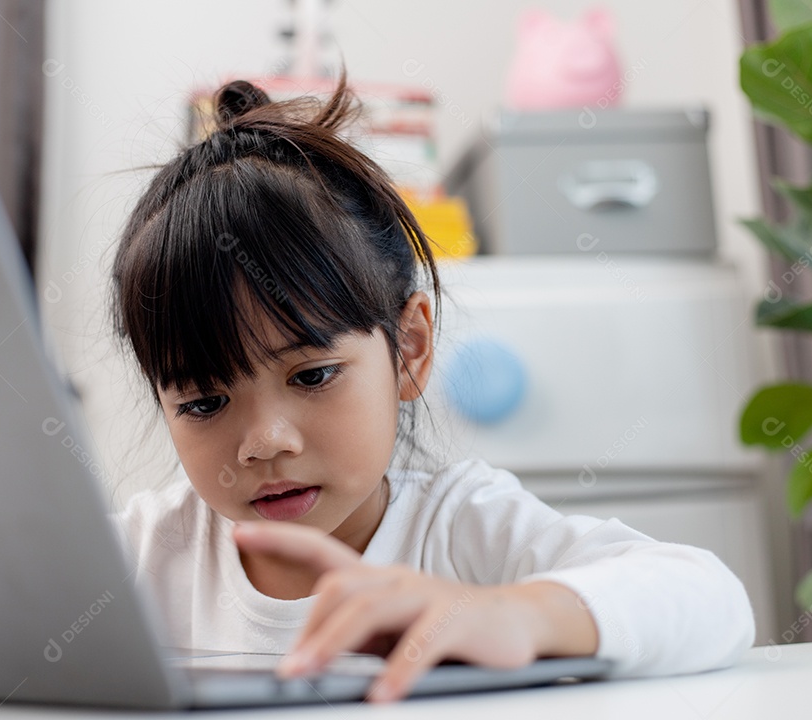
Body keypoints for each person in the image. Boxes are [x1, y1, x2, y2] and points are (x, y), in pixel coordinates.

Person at [109, 72, 755, 704]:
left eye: (311, 375)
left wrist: (517, 614)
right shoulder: (143, 554)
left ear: (409, 348)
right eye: (203, 403)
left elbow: (709, 598)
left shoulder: (463, 527)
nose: (264, 443)